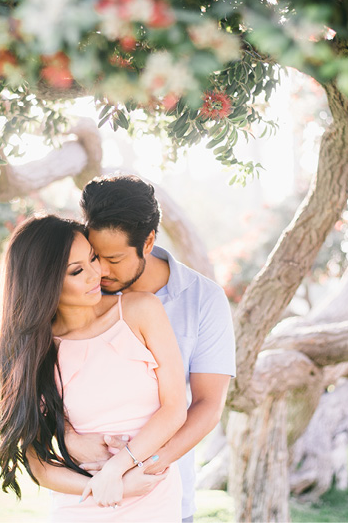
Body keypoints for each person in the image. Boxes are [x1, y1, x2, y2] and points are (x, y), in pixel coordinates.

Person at [0, 214, 187, 522]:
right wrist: (108, 485)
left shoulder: (140, 310)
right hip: (82, 504)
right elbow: (38, 464)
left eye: (93, 258)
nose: (96, 273)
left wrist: (117, 467)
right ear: (44, 282)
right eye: (77, 270)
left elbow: (175, 408)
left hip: (151, 498)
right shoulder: (32, 353)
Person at [70, 174, 237, 523]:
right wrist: (71, 441)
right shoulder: (78, 292)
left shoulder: (203, 299)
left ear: (148, 242)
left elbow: (208, 404)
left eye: (113, 259)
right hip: (82, 494)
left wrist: (140, 466)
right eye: (94, 255)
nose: (99, 270)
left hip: (163, 496)